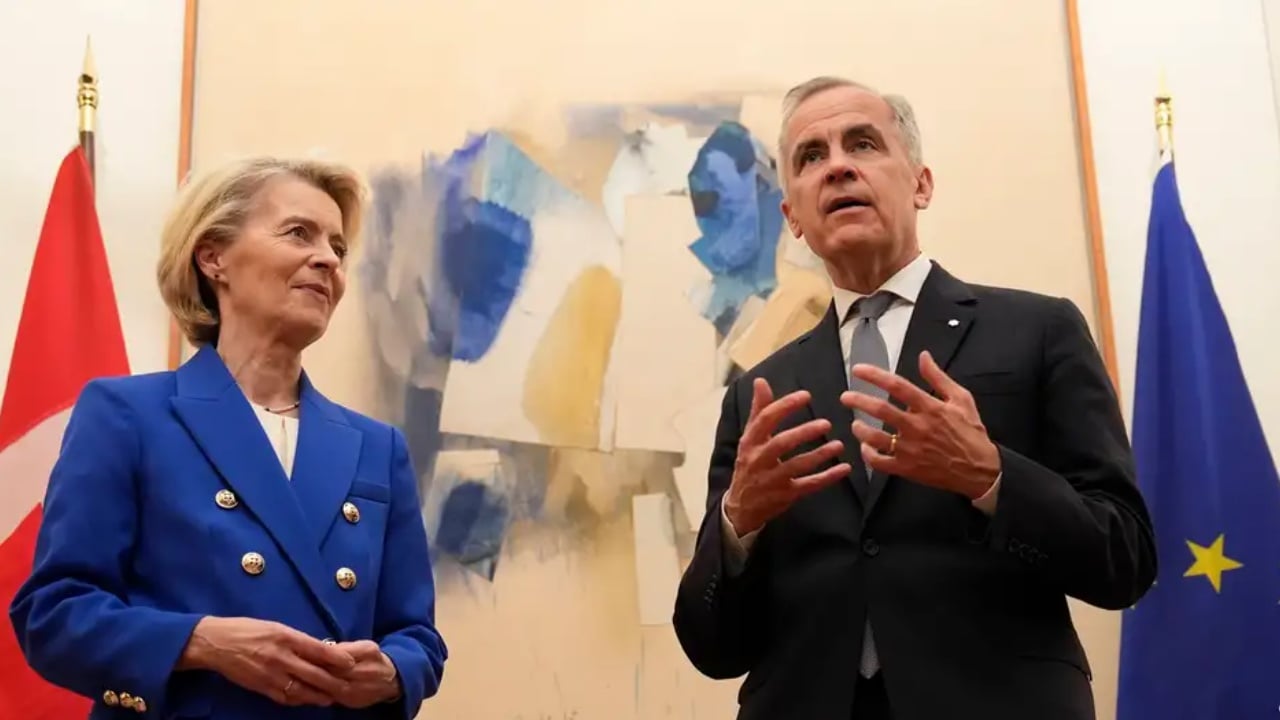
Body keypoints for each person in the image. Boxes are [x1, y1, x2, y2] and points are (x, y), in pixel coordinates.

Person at [672, 76, 1157, 720]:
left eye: (862, 144)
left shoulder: (1040, 331)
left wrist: (991, 477)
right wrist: (738, 525)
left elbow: (1125, 558)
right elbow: (711, 646)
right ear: (793, 218)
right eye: (811, 156)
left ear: (921, 184)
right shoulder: (757, 395)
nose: (837, 166)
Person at [9, 156, 447, 718]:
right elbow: (54, 614)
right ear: (213, 257)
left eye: (337, 247)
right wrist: (202, 642)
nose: (328, 260)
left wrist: (390, 673)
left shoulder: (377, 447)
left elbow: (417, 637)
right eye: (299, 233)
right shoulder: (127, 415)